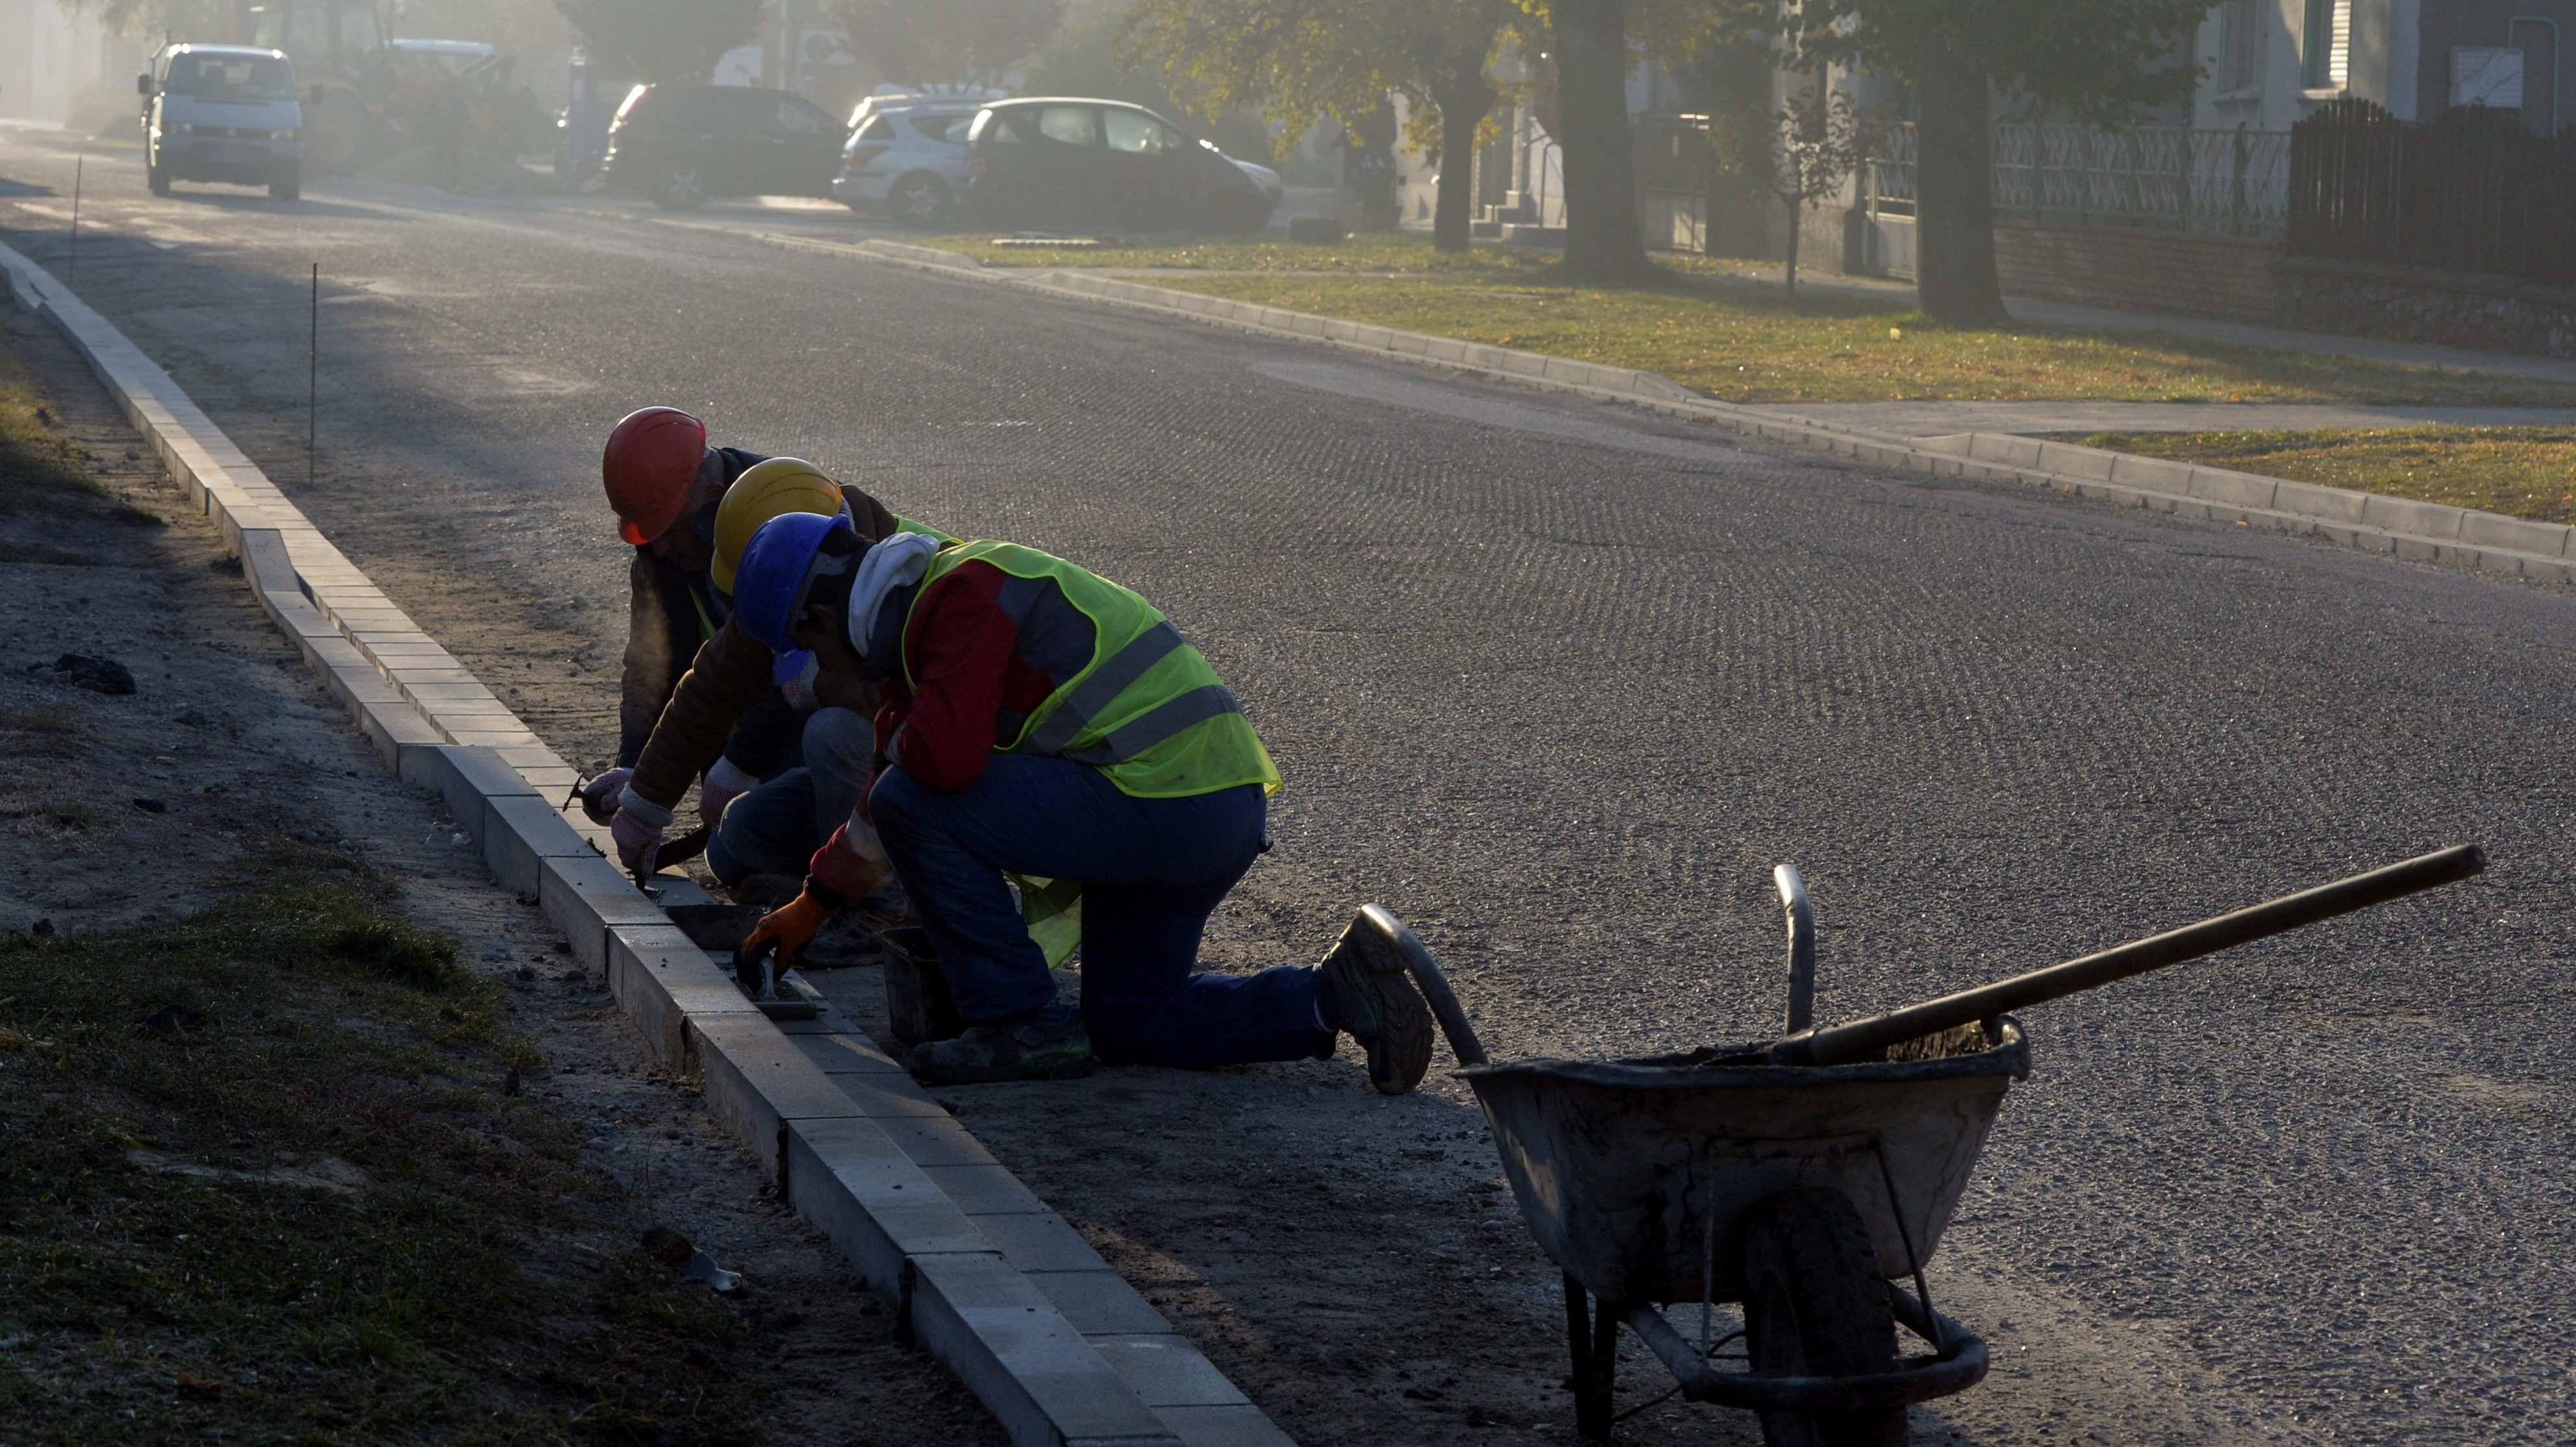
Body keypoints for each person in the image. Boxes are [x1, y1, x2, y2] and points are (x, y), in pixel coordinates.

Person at [720, 512, 1436, 1091]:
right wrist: (814, 903)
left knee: (914, 792)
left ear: (822, 613)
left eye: (807, 649)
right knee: (1129, 1022)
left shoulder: (965, 592)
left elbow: (932, 769)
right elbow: (901, 778)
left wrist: (893, 749)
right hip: (1201, 811)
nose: (820, 671)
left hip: (1163, 808)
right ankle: (1333, 995)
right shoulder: (935, 612)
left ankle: (1018, 1023)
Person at [592, 408, 915, 848]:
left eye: (670, 529)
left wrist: (741, 762)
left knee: (828, 734)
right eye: (648, 536)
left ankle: (872, 890)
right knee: (733, 844)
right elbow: (673, 671)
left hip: (900, 739)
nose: (660, 547)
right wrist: (638, 781)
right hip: (776, 737)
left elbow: (832, 680)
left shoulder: (802, 532)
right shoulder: (668, 550)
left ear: (714, 497)